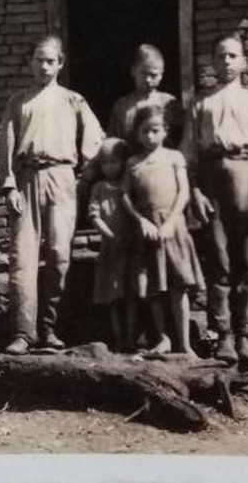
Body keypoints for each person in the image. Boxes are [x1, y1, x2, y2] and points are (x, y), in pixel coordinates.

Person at [0, 35, 105, 354]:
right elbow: (6, 142)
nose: (44, 66)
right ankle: (23, 332)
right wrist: (9, 184)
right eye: (38, 60)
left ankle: (49, 328)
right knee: (23, 258)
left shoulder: (74, 100)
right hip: (27, 178)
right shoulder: (19, 101)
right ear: (30, 62)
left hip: (61, 178)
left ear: (60, 63)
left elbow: (97, 141)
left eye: (50, 60)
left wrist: (82, 178)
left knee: (59, 256)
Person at [184, 33, 248, 367]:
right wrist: (194, 191)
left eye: (232, 56)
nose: (226, 61)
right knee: (219, 259)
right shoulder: (200, 103)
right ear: (212, 62)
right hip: (211, 179)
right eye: (220, 56)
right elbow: (189, 153)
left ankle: (246, 336)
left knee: (247, 262)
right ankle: (222, 334)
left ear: (243, 62)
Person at [122, 105, 205, 357]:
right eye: (144, 131)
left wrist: (170, 221)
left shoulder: (174, 158)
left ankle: (184, 343)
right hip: (147, 230)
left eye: (154, 130)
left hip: (173, 227)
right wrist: (140, 221)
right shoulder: (133, 162)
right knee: (154, 288)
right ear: (137, 134)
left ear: (165, 131)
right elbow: (125, 195)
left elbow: (183, 191)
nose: (149, 136)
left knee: (178, 286)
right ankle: (162, 338)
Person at [87, 137, 138, 352]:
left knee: (133, 294)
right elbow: (94, 215)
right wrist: (109, 236)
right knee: (114, 296)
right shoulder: (99, 187)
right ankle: (118, 339)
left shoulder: (130, 186)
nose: (109, 167)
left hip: (132, 247)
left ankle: (132, 339)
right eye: (105, 162)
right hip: (111, 248)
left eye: (114, 161)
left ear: (124, 161)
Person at [107, 43, 184, 147]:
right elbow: (113, 144)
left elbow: (182, 140)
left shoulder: (169, 104)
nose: (148, 80)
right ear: (133, 71)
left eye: (153, 75)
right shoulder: (121, 107)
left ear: (161, 74)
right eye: (143, 73)